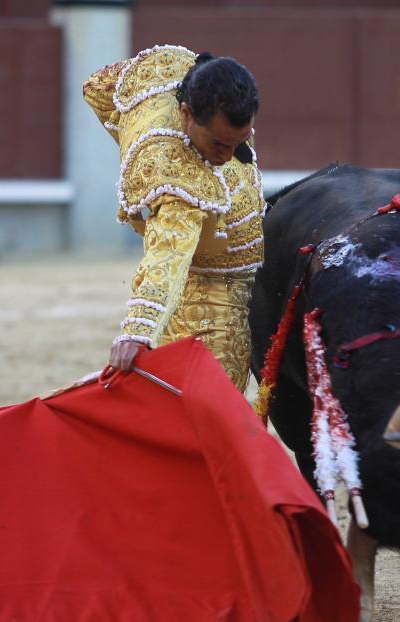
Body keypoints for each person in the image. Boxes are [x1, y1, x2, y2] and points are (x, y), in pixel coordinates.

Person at [83, 45, 264, 392]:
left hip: (225, 275)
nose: (228, 156)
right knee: (211, 407)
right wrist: (138, 330)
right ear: (186, 113)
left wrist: (138, 130)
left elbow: (100, 86)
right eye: (218, 144)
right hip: (213, 303)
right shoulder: (175, 175)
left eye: (239, 142)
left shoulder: (178, 76)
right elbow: (167, 254)